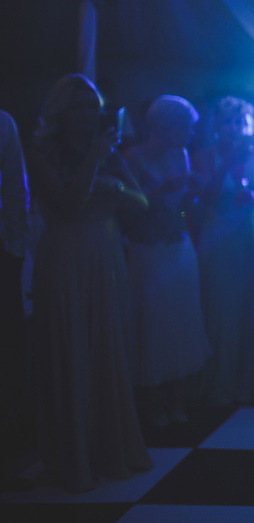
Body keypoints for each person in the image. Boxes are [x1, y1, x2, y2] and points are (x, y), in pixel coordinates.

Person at [25, 74, 152, 491]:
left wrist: (111, 182)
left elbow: (141, 202)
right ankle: (71, 458)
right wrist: (96, 165)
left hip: (105, 253)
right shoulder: (42, 150)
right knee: (70, 351)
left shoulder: (108, 152)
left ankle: (109, 449)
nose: (85, 114)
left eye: (91, 105)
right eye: (76, 106)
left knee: (104, 349)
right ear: (60, 111)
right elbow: (66, 204)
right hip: (65, 257)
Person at [123, 95, 212, 427]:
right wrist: (161, 190)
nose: (190, 134)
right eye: (186, 128)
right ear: (166, 127)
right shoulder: (133, 157)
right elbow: (127, 209)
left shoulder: (182, 155)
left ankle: (176, 399)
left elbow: (185, 208)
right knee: (153, 323)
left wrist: (191, 197)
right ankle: (153, 403)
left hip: (179, 246)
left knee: (180, 321)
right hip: (149, 250)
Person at [191, 96, 254, 405]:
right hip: (218, 239)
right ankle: (217, 384)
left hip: (250, 235)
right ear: (217, 127)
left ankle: (247, 383)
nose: (235, 128)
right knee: (221, 308)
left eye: (240, 122)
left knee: (251, 305)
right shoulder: (202, 157)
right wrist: (226, 164)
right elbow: (204, 198)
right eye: (228, 122)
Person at [1, 109, 34, 488]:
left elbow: (15, 190)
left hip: (2, 256)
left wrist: (13, 253)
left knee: (6, 355)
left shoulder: (3, 123)